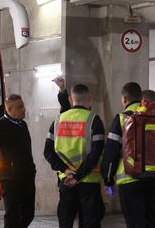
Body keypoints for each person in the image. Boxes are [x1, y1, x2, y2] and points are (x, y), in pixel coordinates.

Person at [101, 82, 155, 228]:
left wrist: (107, 179)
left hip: (130, 181)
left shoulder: (121, 118)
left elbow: (111, 152)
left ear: (124, 99)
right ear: (141, 97)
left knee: (135, 224)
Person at [0, 94, 36, 228]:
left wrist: (31, 169)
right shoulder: (0, 125)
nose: (24, 109)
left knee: (29, 214)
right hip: (9, 176)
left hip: (27, 175)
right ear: (9, 109)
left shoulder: (23, 125)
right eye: (19, 107)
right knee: (12, 214)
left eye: (23, 106)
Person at [53, 84, 105, 228]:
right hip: (89, 182)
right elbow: (96, 153)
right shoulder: (94, 120)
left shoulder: (58, 120)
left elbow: (48, 152)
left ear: (70, 99)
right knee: (90, 222)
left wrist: (65, 170)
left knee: (65, 221)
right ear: (89, 99)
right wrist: (78, 176)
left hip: (66, 181)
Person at [43, 77, 84, 228]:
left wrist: (66, 171)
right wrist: (62, 91)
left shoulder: (65, 120)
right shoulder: (91, 120)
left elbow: (47, 151)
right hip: (82, 177)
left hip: (67, 176)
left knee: (66, 217)